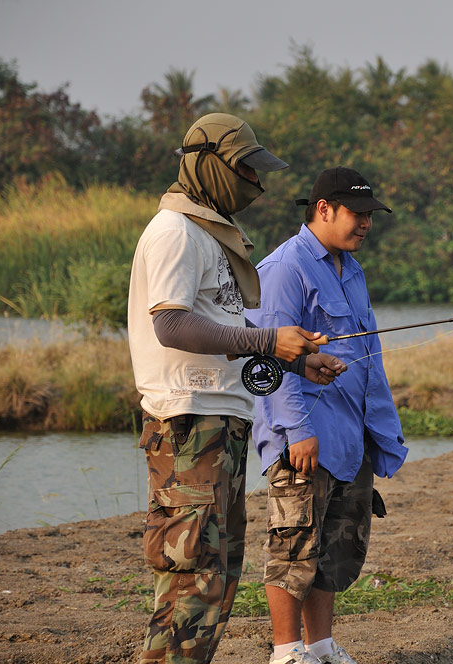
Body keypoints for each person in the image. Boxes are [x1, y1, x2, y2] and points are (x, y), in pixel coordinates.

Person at [127, 113, 344, 664]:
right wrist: (270, 338)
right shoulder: (175, 232)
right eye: (245, 169)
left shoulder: (207, 233)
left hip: (220, 424)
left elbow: (227, 328)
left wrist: (295, 360)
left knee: (216, 577)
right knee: (191, 578)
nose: (256, 183)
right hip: (187, 424)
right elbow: (171, 325)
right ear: (210, 166)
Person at [248, 166, 408, 664]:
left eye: (369, 216)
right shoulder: (283, 269)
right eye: (357, 214)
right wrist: (297, 430)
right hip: (303, 438)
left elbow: (370, 358)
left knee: (334, 551)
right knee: (292, 547)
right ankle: (285, 651)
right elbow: (267, 361)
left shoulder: (352, 269)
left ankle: (319, 646)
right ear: (323, 210)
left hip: (349, 437)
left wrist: (382, 433)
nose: (365, 224)